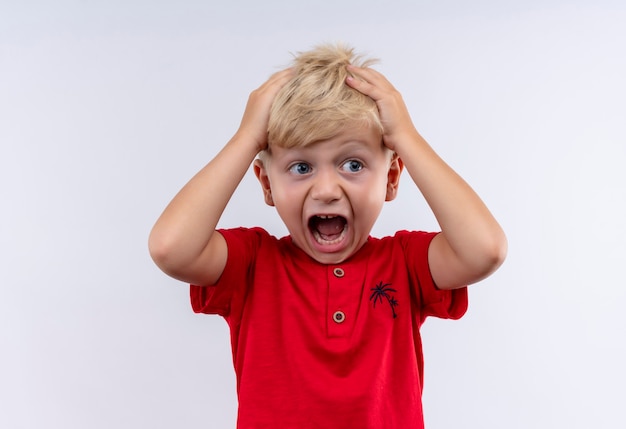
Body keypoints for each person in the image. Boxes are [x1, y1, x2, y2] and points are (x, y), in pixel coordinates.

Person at [149, 43, 507, 429]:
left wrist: (406, 137)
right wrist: (247, 137)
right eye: (301, 167)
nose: (326, 190)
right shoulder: (252, 263)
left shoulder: (405, 262)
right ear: (266, 185)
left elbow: (484, 249)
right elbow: (170, 248)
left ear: (390, 177)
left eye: (352, 164)